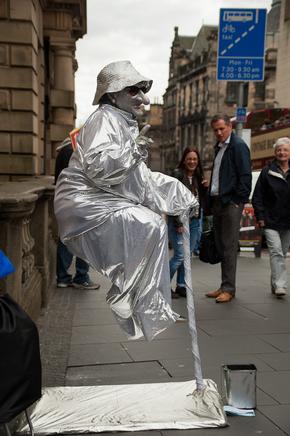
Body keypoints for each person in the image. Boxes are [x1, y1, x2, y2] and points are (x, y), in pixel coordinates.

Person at [54, 60, 199, 341]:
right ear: (113, 93)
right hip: (83, 201)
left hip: (101, 199)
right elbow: (101, 169)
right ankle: (126, 296)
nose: (144, 100)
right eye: (134, 91)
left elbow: (140, 181)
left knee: (153, 226)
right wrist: (133, 151)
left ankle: (139, 303)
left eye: (143, 91)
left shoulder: (123, 123)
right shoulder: (103, 118)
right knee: (147, 224)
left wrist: (182, 195)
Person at [205, 114, 252, 303]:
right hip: (218, 201)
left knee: (229, 245)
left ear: (230, 127)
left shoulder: (238, 146)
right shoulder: (219, 148)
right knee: (221, 244)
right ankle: (224, 285)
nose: (218, 132)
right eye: (215, 129)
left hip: (230, 202)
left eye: (221, 129)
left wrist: (237, 200)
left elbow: (245, 176)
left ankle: (229, 289)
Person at [55, 137, 100, 290]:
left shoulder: (63, 152)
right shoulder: (73, 152)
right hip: (78, 203)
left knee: (65, 239)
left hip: (63, 202)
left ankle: (62, 277)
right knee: (84, 240)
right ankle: (81, 277)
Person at [252, 137, 290, 297]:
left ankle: (275, 284)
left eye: (285, 150)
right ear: (275, 153)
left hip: (288, 221)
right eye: (279, 150)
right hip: (270, 220)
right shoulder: (267, 172)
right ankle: (281, 285)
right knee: (276, 252)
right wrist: (261, 217)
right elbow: (257, 197)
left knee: (282, 251)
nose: (282, 153)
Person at [168, 147, 208, 298]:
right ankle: (162, 285)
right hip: (179, 222)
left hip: (194, 222)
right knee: (179, 255)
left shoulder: (198, 177)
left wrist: (204, 189)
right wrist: (178, 223)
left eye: (195, 159)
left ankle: (181, 285)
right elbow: (172, 200)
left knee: (187, 255)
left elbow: (200, 201)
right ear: (184, 160)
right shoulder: (177, 175)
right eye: (189, 159)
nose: (192, 162)